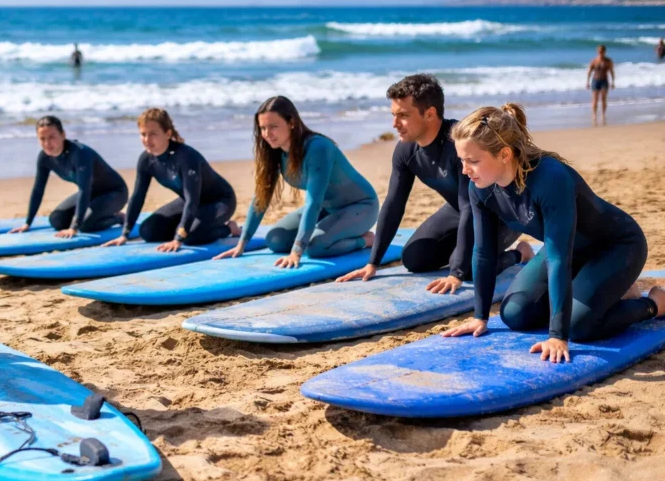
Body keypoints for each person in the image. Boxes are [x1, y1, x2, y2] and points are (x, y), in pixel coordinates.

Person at [442, 103, 665, 363]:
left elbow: (559, 259)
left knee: (577, 327)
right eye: (461, 160)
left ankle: (655, 304)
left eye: (473, 161)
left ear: (504, 154)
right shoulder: (480, 187)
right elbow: (483, 252)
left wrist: (557, 335)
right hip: (566, 248)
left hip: (616, 247)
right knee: (515, 314)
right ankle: (598, 291)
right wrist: (479, 317)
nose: (465, 170)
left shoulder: (550, 179)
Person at [338, 74, 532, 292]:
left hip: (500, 215)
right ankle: (468, 253)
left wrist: (456, 273)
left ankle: (519, 254)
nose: (394, 124)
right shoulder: (406, 150)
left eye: (403, 115)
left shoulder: (461, 145)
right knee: (414, 259)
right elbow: (394, 205)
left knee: (469, 269)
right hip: (458, 210)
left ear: (429, 113)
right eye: (393, 115)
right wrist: (372, 263)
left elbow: (470, 206)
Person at [216, 96, 377, 268]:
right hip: (327, 209)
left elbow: (313, 203)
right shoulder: (276, 153)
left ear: (291, 123)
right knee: (275, 240)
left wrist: (296, 251)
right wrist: (241, 244)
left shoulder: (318, 148)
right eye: (263, 128)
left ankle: (365, 240)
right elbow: (260, 200)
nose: (267, 134)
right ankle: (334, 231)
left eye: (273, 127)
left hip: (359, 207)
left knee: (315, 247)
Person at [102, 108, 238, 252]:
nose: (147, 140)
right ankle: (188, 226)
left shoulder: (186, 157)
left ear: (168, 133)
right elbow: (138, 196)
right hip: (190, 201)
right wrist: (125, 234)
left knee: (191, 237)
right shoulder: (146, 160)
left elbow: (192, 199)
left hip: (219, 201)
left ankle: (229, 228)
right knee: (148, 231)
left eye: (153, 134)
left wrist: (178, 239)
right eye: (143, 134)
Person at [9, 116, 128, 238]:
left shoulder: (80, 153)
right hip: (92, 193)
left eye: (52, 137)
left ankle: (118, 217)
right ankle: (95, 213)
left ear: (63, 135)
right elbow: (38, 190)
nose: (47, 143)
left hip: (114, 193)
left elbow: (84, 190)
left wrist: (74, 227)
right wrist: (27, 223)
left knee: (85, 225)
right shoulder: (44, 157)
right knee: (56, 220)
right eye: (42, 138)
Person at [586, 45, 615, 125]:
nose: (601, 53)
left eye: (602, 51)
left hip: (604, 81)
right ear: (597, 52)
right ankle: (594, 115)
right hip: (595, 81)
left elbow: (612, 71)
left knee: (603, 99)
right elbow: (589, 71)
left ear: (605, 52)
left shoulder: (608, 61)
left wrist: (613, 82)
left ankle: (603, 114)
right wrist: (587, 82)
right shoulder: (594, 61)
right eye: (599, 51)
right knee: (595, 99)